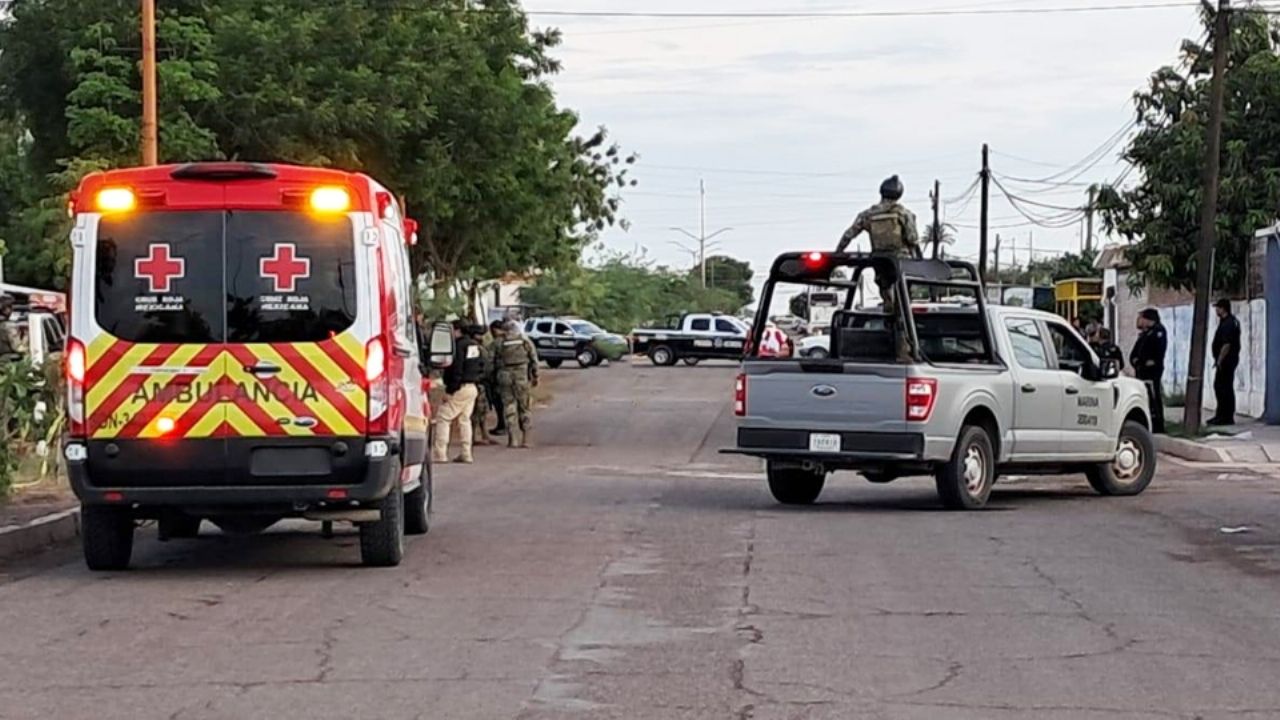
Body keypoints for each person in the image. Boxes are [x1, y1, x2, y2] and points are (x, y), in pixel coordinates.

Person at [432, 320, 484, 464]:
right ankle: (466, 453)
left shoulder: (457, 347)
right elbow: (481, 365)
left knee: (443, 417)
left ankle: (440, 454)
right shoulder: (474, 345)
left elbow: (457, 369)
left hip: (459, 387)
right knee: (464, 420)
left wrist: (450, 390)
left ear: (458, 330)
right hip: (472, 386)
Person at [495, 319, 539, 448]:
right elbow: (534, 359)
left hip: (504, 376)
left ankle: (512, 439)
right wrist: (535, 376)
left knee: (509, 406)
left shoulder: (499, 342)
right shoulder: (525, 341)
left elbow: (490, 361)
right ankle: (526, 439)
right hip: (521, 376)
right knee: (524, 406)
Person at [1130, 308, 1168, 434]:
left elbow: (1158, 352)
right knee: (1146, 398)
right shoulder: (1146, 333)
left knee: (1154, 397)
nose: (1141, 321)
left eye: (1143, 318)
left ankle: (1158, 425)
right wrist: (1136, 361)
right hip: (1142, 370)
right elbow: (1136, 352)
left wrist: (1150, 362)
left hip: (1152, 371)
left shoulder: (1158, 331)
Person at [1209, 298, 1241, 426]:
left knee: (1223, 388)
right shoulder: (1226, 322)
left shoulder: (1229, 323)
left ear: (1223, 309)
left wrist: (1219, 361)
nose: (1216, 310)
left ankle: (1225, 417)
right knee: (1221, 387)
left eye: (1218, 307)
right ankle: (1221, 415)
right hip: (1225, 360)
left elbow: (1226, 344)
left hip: (1226, 361)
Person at [468, 325, 496, 446]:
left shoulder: (479, 347)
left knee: (482, 410)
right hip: (477, 381)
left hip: (482, 381)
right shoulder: (473, 348)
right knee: (476, 411)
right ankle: (473, 437)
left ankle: (484, 434)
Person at [486, 320, 509, 438]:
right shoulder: (516, 341)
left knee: (500, 403)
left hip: (500, 377)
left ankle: (503, 425)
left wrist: (488, 377)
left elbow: (489, 362)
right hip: (519, 376)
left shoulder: (495, 343)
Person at [0, 295, 19, 360]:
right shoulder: (9, 326)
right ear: (6, 309)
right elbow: (17, 347)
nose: (12, 309)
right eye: (11, 307)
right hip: (8, 361)